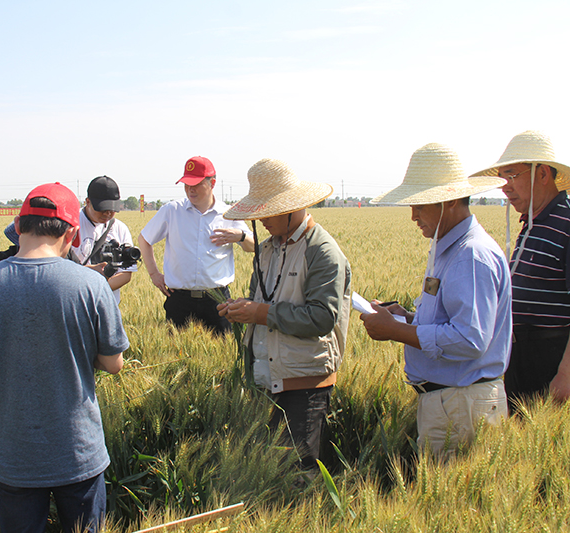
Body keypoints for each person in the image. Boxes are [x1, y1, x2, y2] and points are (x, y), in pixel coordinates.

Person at [0, 182, 128, 533]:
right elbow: (114, 363)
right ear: (72, 234)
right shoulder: (92, 286)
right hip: (78, 450)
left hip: (13, 452)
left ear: (18, 227)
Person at [360, 144, 510, 458]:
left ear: (451, 200)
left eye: (421, 205)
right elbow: (453, 321)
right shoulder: (448, 248)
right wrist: (409, 318)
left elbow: (470, 339)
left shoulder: (470, 256)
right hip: (453, 403)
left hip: (463, 405)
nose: (413, 215)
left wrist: (396, 331)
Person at [217, 158, 350, 473]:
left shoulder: (322, 251)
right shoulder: (266, 249)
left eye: (267, 210)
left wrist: (260, 313)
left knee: (300, 477)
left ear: (291, 207)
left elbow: (321, 318)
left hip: (305, 384)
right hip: (269, 379)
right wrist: (241, 309)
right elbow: (258, 299)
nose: (261, 219)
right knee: (272, 473)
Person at [470, 130, 570, 409]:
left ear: (542, 174)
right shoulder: (532, 223)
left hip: (552, 360)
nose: (504, 187)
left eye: (512, 176)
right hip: (522, 358)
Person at [139, 156, 254, 334]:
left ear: (212, 183)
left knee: (220, 354)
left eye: (196, 184)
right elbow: (144, 239)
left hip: (217, 300)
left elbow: (253, 246)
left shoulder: (229, 214)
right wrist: (154, 274)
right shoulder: (172, 211)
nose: (190, 189)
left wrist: (241, 236)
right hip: (179, 300)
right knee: (176, 355)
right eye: (186, 184)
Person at [71, 176, 136, 303]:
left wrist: (99, 291)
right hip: (75, 301)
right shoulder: (72, 224)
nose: (107, 214)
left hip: (107, 303)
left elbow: (126, 274)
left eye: (112, 209)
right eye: (102, 209)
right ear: (88, 202)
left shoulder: (120, 229)